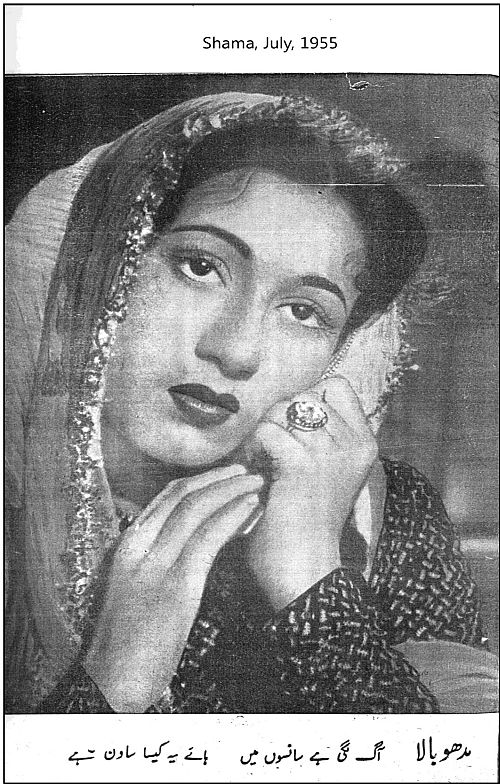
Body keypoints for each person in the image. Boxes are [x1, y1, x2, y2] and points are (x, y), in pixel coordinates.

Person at [5, 91, 497, 714]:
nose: (235, 351)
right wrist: (116, 677)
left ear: (340, 352)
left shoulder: (390, 512)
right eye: (199, 267)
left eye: (304, 312)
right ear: (98, 271)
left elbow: (440, 756)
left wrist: (310, 574)